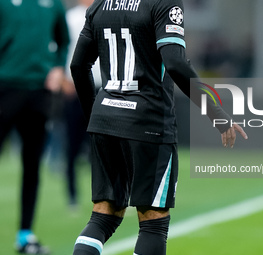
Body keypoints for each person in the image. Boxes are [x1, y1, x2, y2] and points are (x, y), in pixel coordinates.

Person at [70, 0, 248, 254]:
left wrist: (95, 115)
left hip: (105, 119)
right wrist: (215, 112)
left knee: (104, 216)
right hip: (148, 123)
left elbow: (78, 65)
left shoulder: (101, 4)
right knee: (153, 222)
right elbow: (174, 63)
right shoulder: (164, 3)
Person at [0, 0, 70, 254]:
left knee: (32, 166)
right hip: (5, 88)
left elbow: (63, 41)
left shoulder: (53, 5)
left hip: (39, 92)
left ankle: (25, 235)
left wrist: (58, 67)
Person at [63, 0, 101, 208]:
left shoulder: (103, 12)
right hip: (75, 88)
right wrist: (63, 78)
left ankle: (109, 193)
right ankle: (72, 195)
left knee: (104, 145)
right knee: (72, 145)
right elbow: (61, 47)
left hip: (101, 86)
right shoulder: (71, 18)